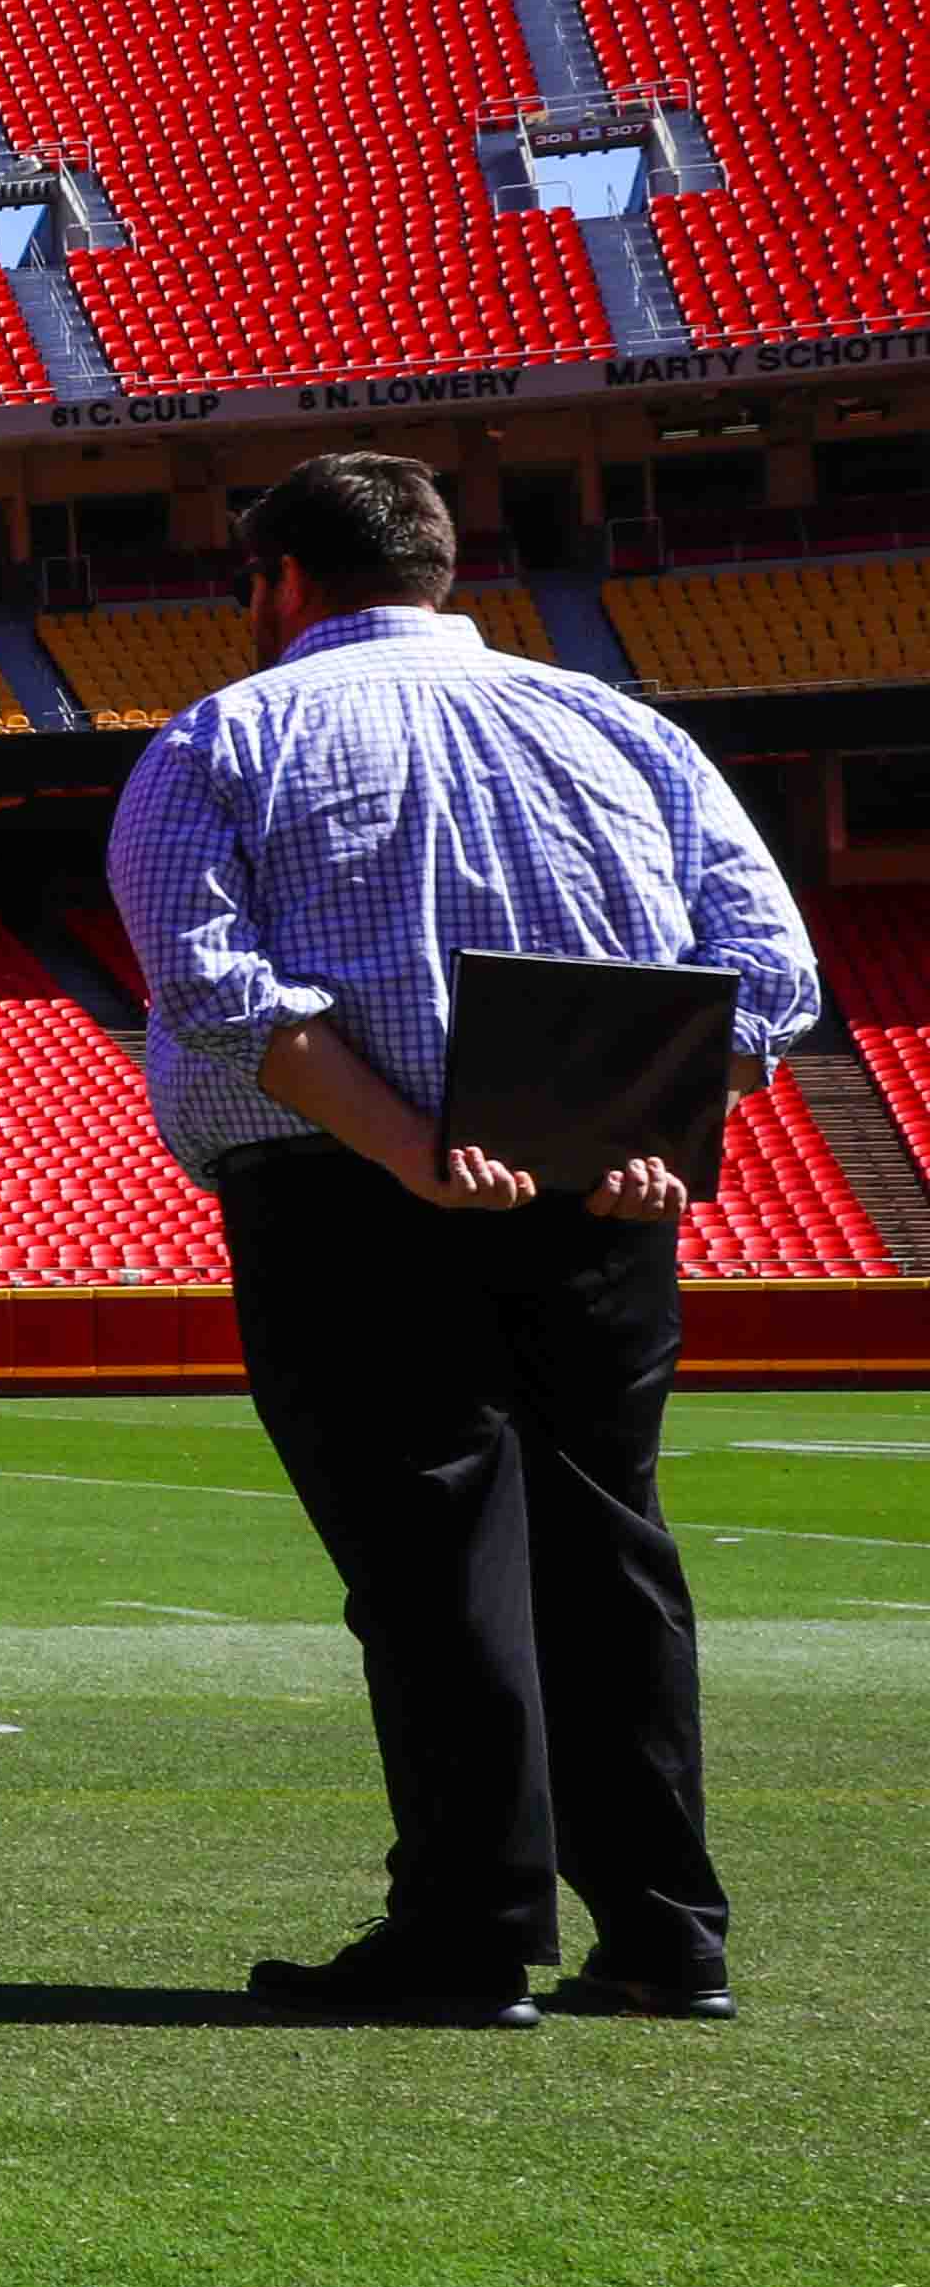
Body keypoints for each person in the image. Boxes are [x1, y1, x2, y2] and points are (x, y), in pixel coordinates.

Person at [105, 449, 816, 2024]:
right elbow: (769, 975)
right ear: (437, 570)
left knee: (435, 1567)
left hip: (348, 1194)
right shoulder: (621, 725)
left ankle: (468, 1925)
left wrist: (413, 1152)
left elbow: (218, 988)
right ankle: (661, 1929)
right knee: (610, 1550)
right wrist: (653, 1128)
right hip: (602, 1199)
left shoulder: (229, 736)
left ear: (280, 583)